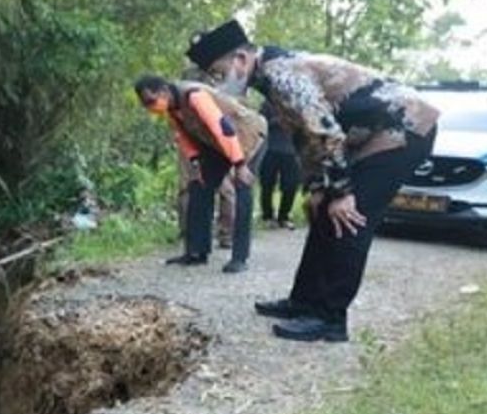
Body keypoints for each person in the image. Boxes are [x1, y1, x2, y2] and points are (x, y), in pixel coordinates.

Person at [186, 19, 439, 342]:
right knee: (322, 211)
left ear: (241, 59)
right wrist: (318, 189)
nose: (218, 82)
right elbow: (303, 138)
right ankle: (304, 301)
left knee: (349, 218)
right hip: (369, 134)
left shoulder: (282, 74)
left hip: (405, 128)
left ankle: (330, 318)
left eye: (219, 73)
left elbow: (323, 131)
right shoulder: (270, 73)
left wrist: (342, 192)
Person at [135, 74, 266, 273]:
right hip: (216, 144)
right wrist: (196, 163)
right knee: (199, 186)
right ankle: (196, 252)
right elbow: (183, 137)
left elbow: (223, 128)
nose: (150, 107)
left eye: (151, 101)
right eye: (146, 105)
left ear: (163, 90)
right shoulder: (172, 108)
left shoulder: (195, 96)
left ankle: (240, 257)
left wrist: (239, 165)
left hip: (247, 137)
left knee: (242, 188)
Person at [176, 63, 237, 248]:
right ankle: (191, 233)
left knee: (224, 189)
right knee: (190, 186)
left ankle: (224, 234)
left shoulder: (222, 73)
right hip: (195, 135)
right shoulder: (192, 75)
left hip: (215, 138)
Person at [259, 100, 301, 229]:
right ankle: (267, 216)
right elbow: (259, 123)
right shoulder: (268, 103)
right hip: (270, 148)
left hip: (291, 150)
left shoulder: (297, 104)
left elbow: (304, 125)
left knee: (291, 185)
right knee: (267, 184)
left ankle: (284, 216)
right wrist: (276, 121)